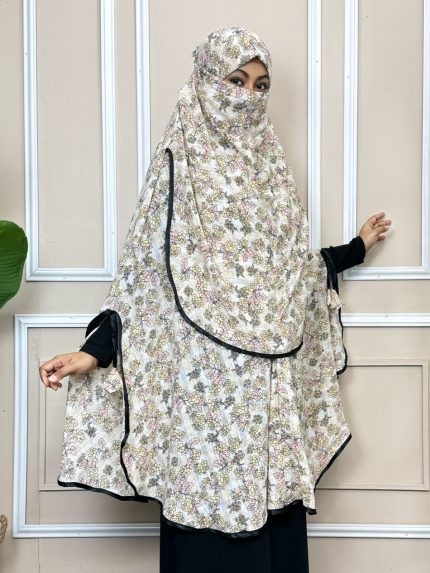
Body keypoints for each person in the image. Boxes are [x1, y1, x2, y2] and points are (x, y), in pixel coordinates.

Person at [39, 27, 391, 573]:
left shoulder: (270, 169)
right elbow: (142, 278)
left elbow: (288, 269)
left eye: (260, 86)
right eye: (235, 80)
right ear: (206, 80)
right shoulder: (178, 164)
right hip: (204, 393)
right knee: (208, 525)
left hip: (267, 390)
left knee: (271, 519)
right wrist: (94, 351)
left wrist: (354, 249)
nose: (247, 96)